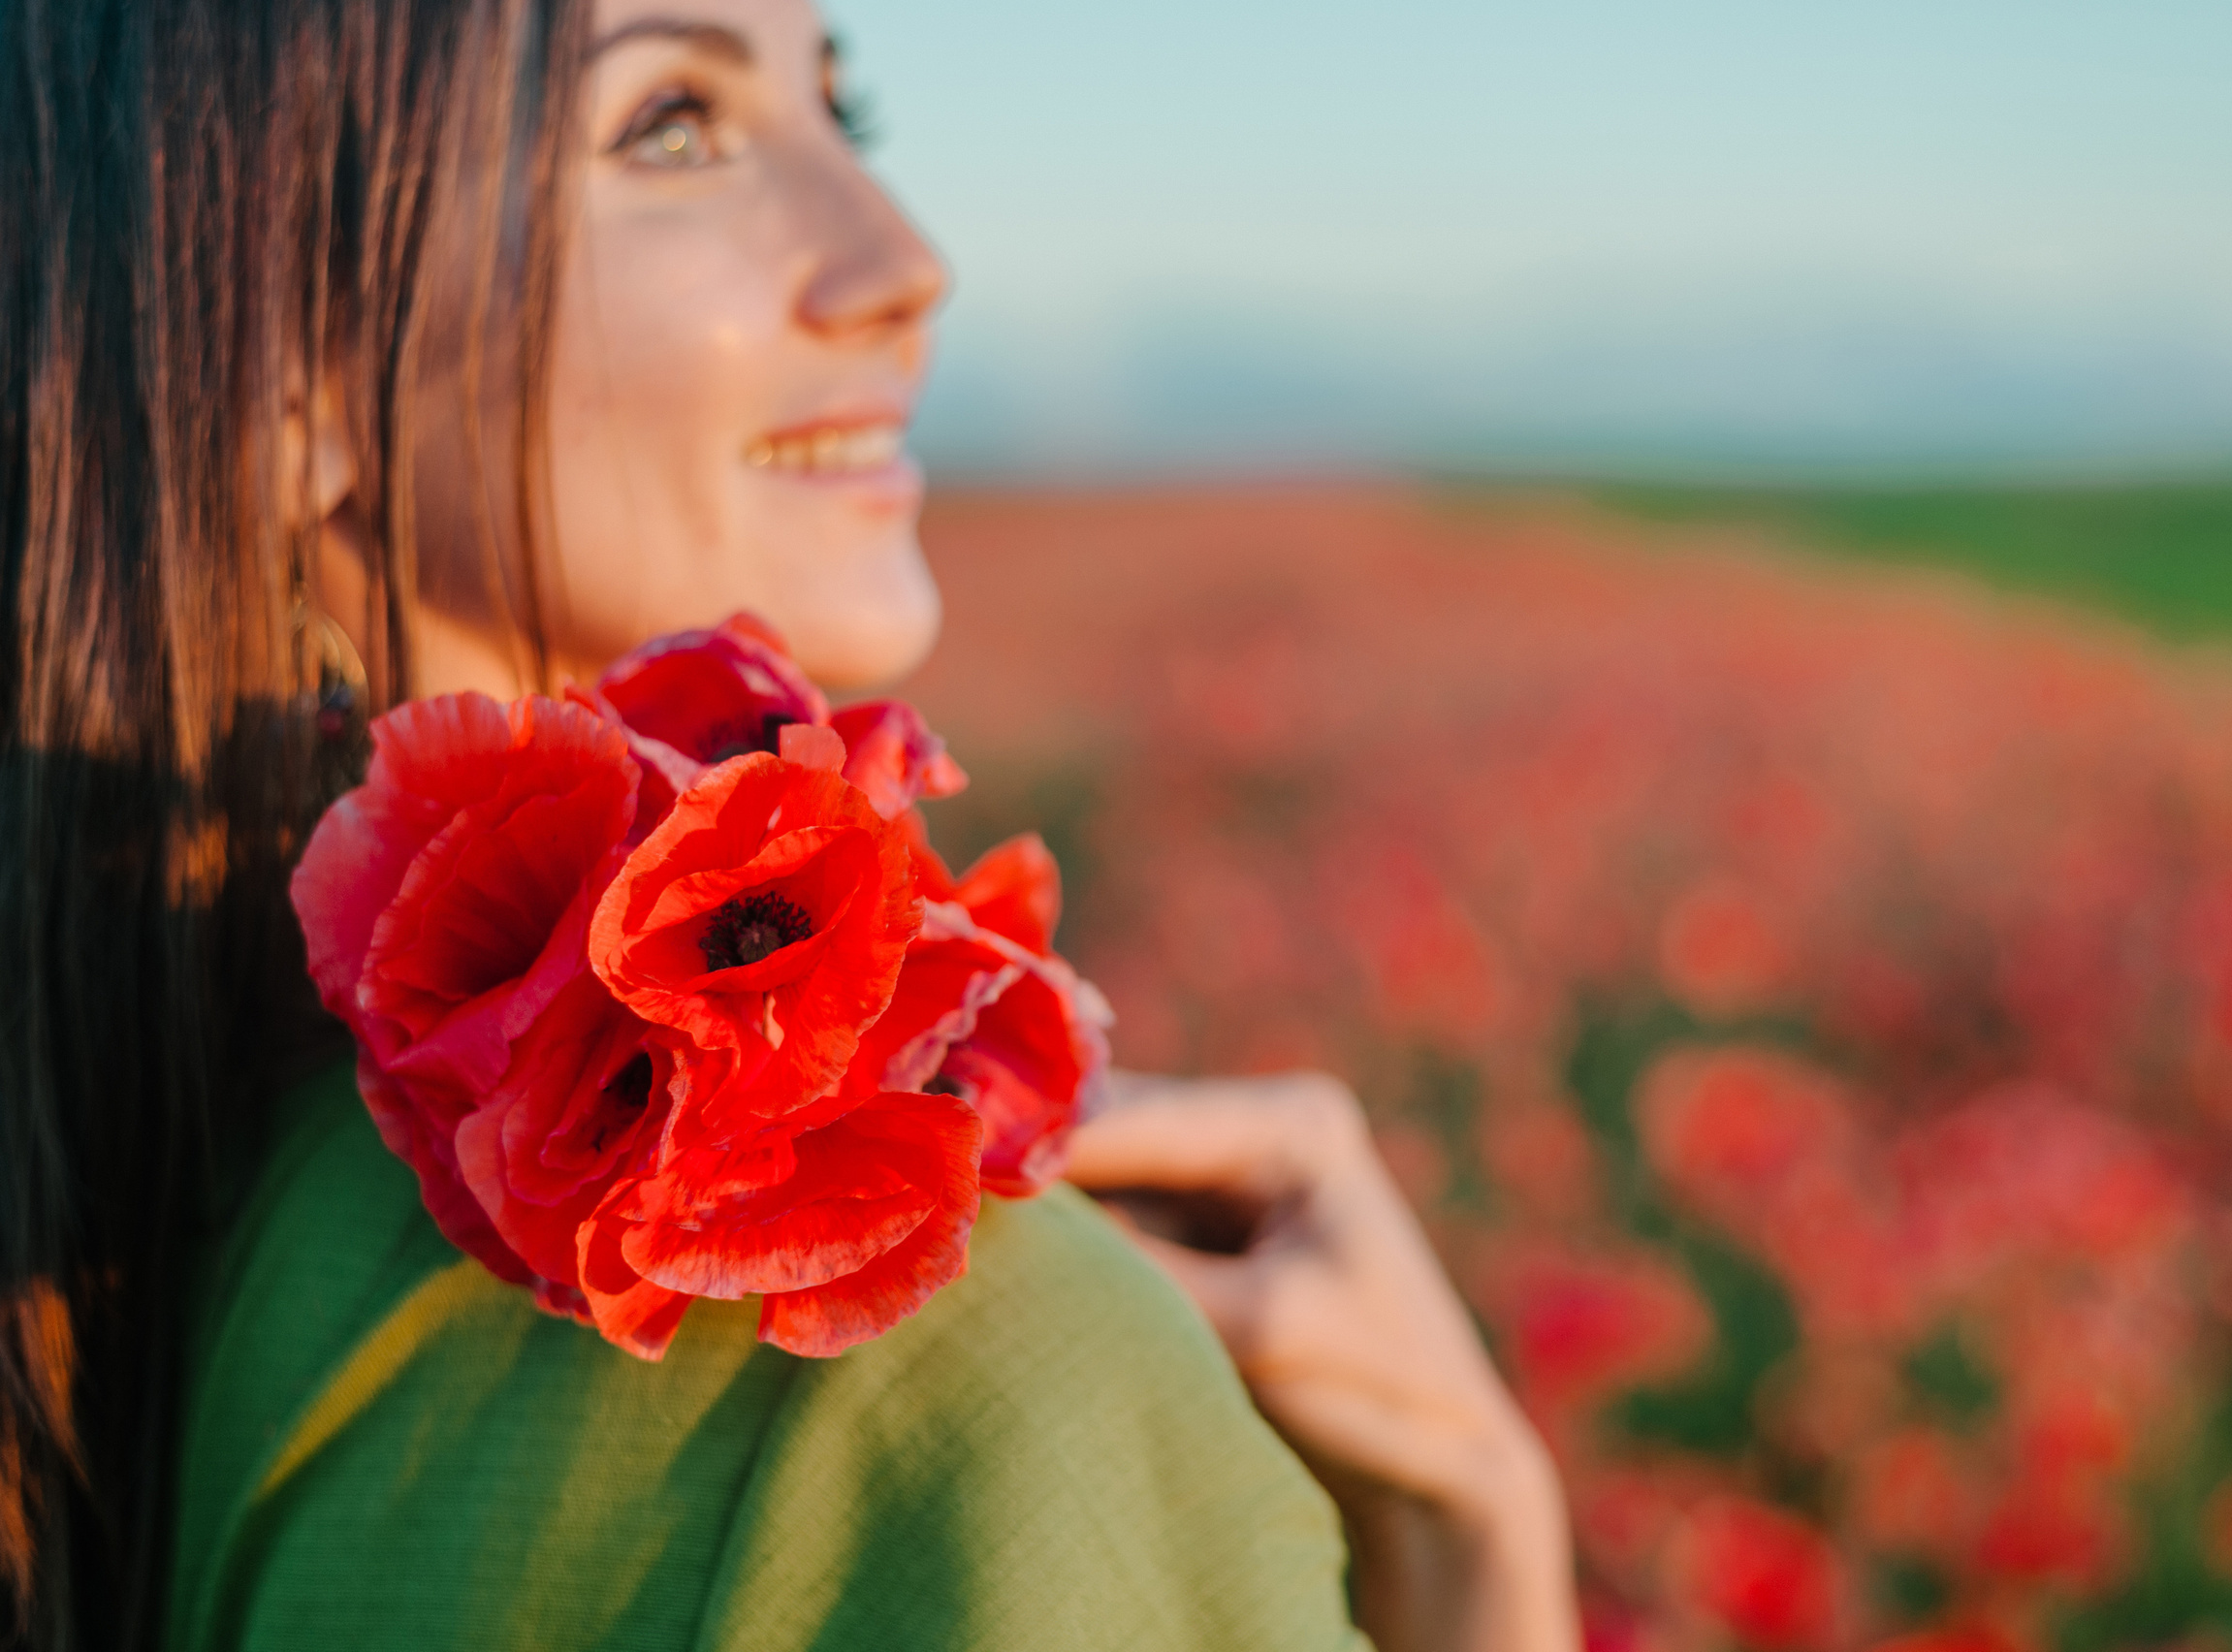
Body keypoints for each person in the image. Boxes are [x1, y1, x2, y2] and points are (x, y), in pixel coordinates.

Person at [0, 0, 1578, 1646]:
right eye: (671, 125)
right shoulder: (959, 1379)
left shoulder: (171, 1196)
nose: (905, 260)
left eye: (847, 108)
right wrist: (1481, 1568)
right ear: (284, 378)